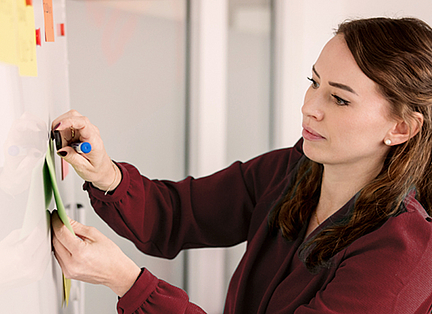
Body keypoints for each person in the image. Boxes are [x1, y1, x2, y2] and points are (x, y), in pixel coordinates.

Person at [51, 16, 432, 313]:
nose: (310, 107)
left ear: (401, 127)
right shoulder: (290, 171)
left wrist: (128, 283)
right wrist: (104, 173)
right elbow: (175, 215)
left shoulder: (406, 254)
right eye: (313, 83)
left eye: (340, 99)